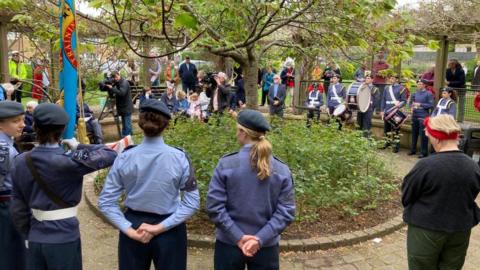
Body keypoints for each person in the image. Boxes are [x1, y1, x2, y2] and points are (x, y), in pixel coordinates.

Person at [10, 103, 117, 270]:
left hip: (35, 236)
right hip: (64, 237)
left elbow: (17, 206)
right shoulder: (71, 161)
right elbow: (111, 154)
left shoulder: (20, 161)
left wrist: (28, 233)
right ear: (63, 129)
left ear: (35, 127)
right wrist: (79, 146)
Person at [98, 99, 200, 270]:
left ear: (140, 123)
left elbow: (106, 202)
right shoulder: (179, 158)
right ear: (167, 125)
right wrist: (159, 228)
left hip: (133, 227)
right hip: (170, 228)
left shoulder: (124, 157)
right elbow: (192, 203)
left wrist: (129, 230)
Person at [206, 109, 295, 270]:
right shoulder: (281, 169)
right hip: (265, 247)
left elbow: (214, 207)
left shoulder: (226, 164)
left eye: (237, 129)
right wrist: (259, 239)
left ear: (242, 132)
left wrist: (238, 237)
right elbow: (286, 211)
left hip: (229, 245)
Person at [402, 114, 480, 270]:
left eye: (429, 135)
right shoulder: (473, 166)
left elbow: (407, 196)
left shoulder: (425, 166)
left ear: (436, 139)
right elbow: (472, 194)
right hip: (460, 228)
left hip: (426, 230)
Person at [0, 101, 27, 270]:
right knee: (10, 254)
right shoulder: (3, 150)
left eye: (23, 119)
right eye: (15, 121)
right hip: (5, 207)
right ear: (1, 124)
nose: (23, 124)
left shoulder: (7, 143)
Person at [380, 74, 407, 153]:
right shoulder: (386, 88)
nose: (391, 80)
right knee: (386, 128)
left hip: (395, 110)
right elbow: (383, 99)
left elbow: (404, 101)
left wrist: (399, 105)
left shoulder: (401, 88)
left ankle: (396, 146)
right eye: (390, 78)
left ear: (397, 80)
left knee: (396, 129)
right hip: (387, 110)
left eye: (392, 78)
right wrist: (382, 110)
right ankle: (387, 143)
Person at [408, 80, 434, 158]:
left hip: (423, 116)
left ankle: (423, 152)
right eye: (418, 84)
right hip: (414, 115)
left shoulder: (428, 94)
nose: (419, 85)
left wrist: (420, 104)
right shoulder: (414, 93)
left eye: (420, 84)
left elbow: (430, 105)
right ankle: (413, 149)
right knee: (414, 133)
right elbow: (410, 103)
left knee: (423, 135)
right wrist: (411, 107)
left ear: (424, 85)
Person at [106, 70, 133, 137]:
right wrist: (109, 88)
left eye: (116, 77)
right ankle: (128, 136)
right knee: (125, 123)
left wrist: (112, 88)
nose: (115, 79)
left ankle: (126, 137)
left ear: (119, 75)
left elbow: (122, 93)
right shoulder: (117, 82)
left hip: (126, 106)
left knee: (127, 123)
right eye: (114, 78)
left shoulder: (124, 82)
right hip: (122, 107)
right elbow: (113, 94)